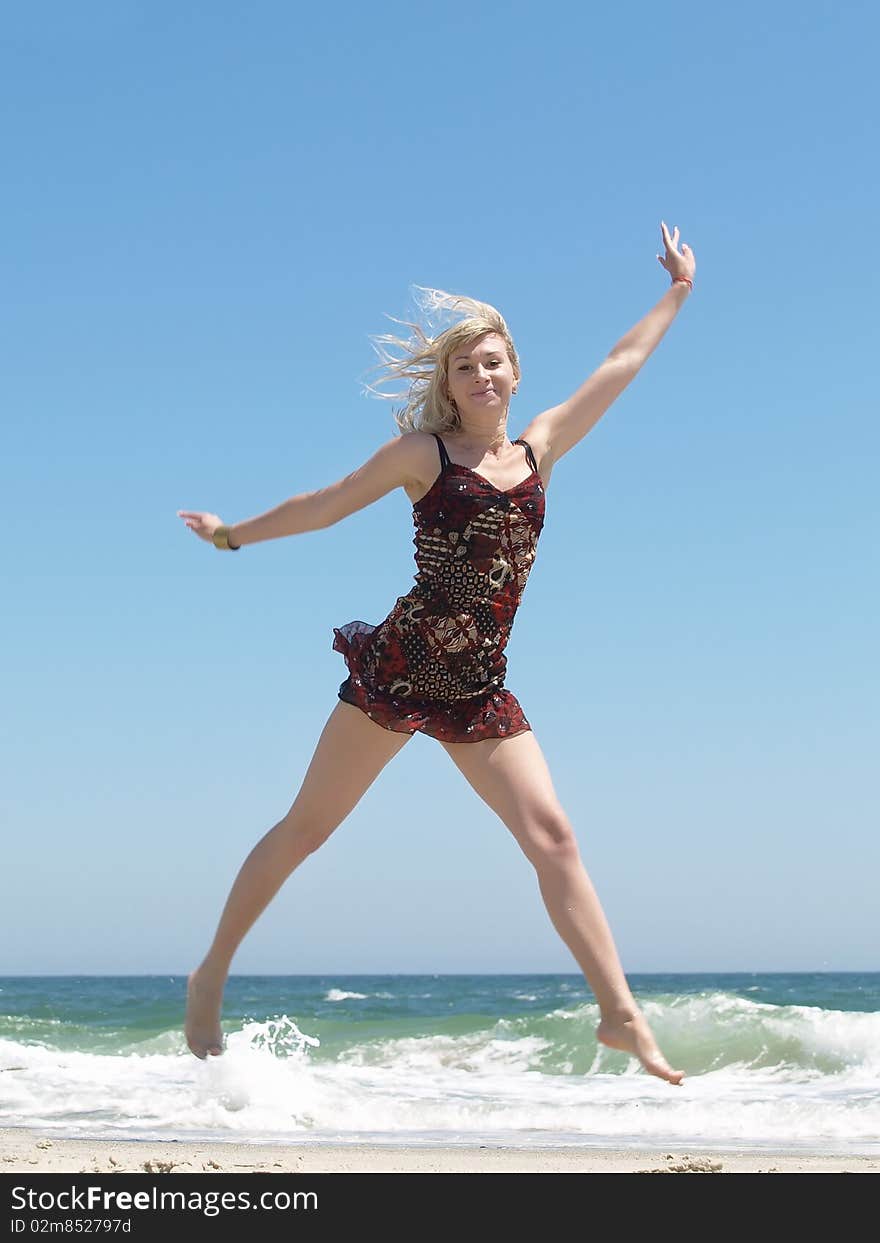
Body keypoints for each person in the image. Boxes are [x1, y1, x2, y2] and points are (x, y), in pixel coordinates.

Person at [178, 221, 696, 1084]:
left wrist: (678, 289)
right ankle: (210, 975)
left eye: (494, 360)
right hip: (405, 663)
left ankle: (619, 1013)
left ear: (515, 371)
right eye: (466, 364)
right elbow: (327, 503)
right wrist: (234, 536)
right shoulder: (426, 454)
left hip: (478, 686)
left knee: (555, 838)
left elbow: (619, 364)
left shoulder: (540, 448)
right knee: (307, 828)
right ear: (449, 384)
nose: (483, 373)